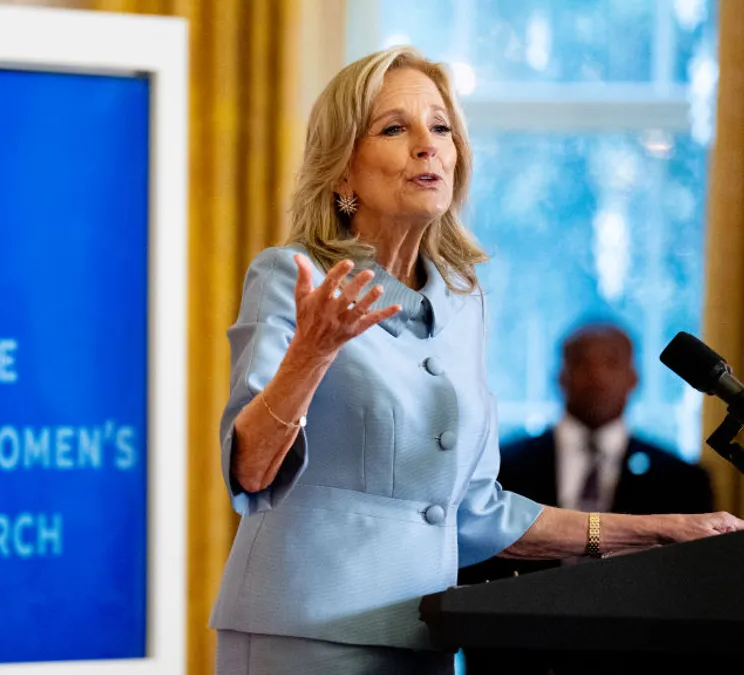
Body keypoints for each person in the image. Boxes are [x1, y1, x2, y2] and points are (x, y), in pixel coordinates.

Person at [208, 44, 744, 675]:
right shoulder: (292, 277)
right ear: (342, 172)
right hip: (302, 635)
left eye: (441, 128)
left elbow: (476, 513)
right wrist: (311, 354)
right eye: (394, 128)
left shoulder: (464, 304)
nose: (427, 145)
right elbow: (248, 470)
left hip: (426, 633)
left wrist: (659, 533)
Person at [456, 322, 714, 675]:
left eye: (610, 362)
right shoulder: (501, 469)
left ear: (634, 378)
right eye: (581, 363)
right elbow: (474, 579)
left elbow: (694, 597)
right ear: (559, 376)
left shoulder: (682, 481)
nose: (595, 376)